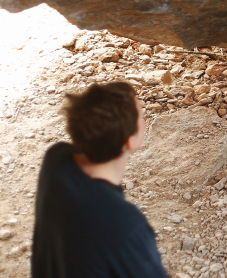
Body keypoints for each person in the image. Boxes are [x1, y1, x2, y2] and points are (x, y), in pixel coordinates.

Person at [31, 82, 167, 278]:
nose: (144, 118)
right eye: (141, 115)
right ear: (128, 141)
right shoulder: (125, 224)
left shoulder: (55, 160)